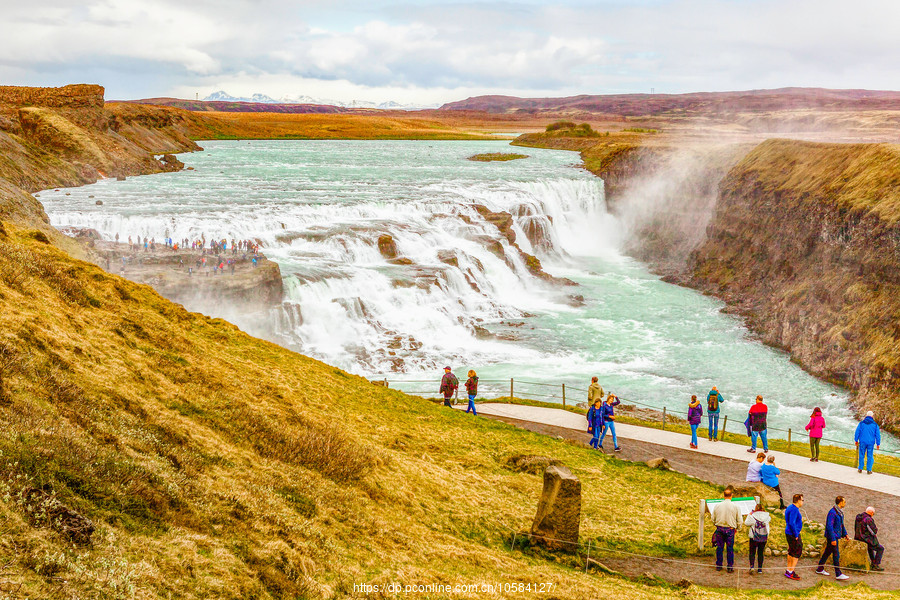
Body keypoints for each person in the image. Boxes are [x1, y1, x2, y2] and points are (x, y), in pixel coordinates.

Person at [816, 496, 851, 580]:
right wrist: (832, 539)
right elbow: (829, 526)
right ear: (840, 502)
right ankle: (838, 573)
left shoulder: (839, 512)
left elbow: (841, 524)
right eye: (844, 501)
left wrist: (845, 534)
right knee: (836, 554)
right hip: (833, 537)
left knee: (827, 552)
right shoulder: (833, 512)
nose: (845, 503)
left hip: (835, 536)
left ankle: (820, 568)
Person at [711, 486, 741, 572]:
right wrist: (738, 528)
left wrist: (716, 524)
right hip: (730, 529)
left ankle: (719, 565)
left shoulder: (717, 505)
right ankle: (730, 566)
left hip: (720, 528)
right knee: (730, 548)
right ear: (731, 495)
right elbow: (739, 520)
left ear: (723, 495)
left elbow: (713, 518)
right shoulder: (736, 506)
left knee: (719, 547)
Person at [854, 507, 884, 572]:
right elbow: (873, 531)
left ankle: (873, 562)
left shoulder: (859, 517)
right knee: (880, 548)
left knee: (870, 548)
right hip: (865, 538)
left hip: (858, 537)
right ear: (872, 513)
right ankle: (875, 564)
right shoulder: (868, 519)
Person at [745, 503, 771, 575]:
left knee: (752, 552)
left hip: (754, 536)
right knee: (760, 552)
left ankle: (752, 566)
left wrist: (749, 514)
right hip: (763, 536)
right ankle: (760, 568)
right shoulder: (767, 517)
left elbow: (746, 523)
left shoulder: (752, 516)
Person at [784, 493, 804, 580]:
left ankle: (789, 569)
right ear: (798, 500)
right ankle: (791, 571)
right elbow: (792, 522)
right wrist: (796, 534)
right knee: (797, 551)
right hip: (793, 533)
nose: (803, 502)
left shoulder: (790, 507)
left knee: (791, 550)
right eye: (802, 500)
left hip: (789, 532)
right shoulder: (794, 510)